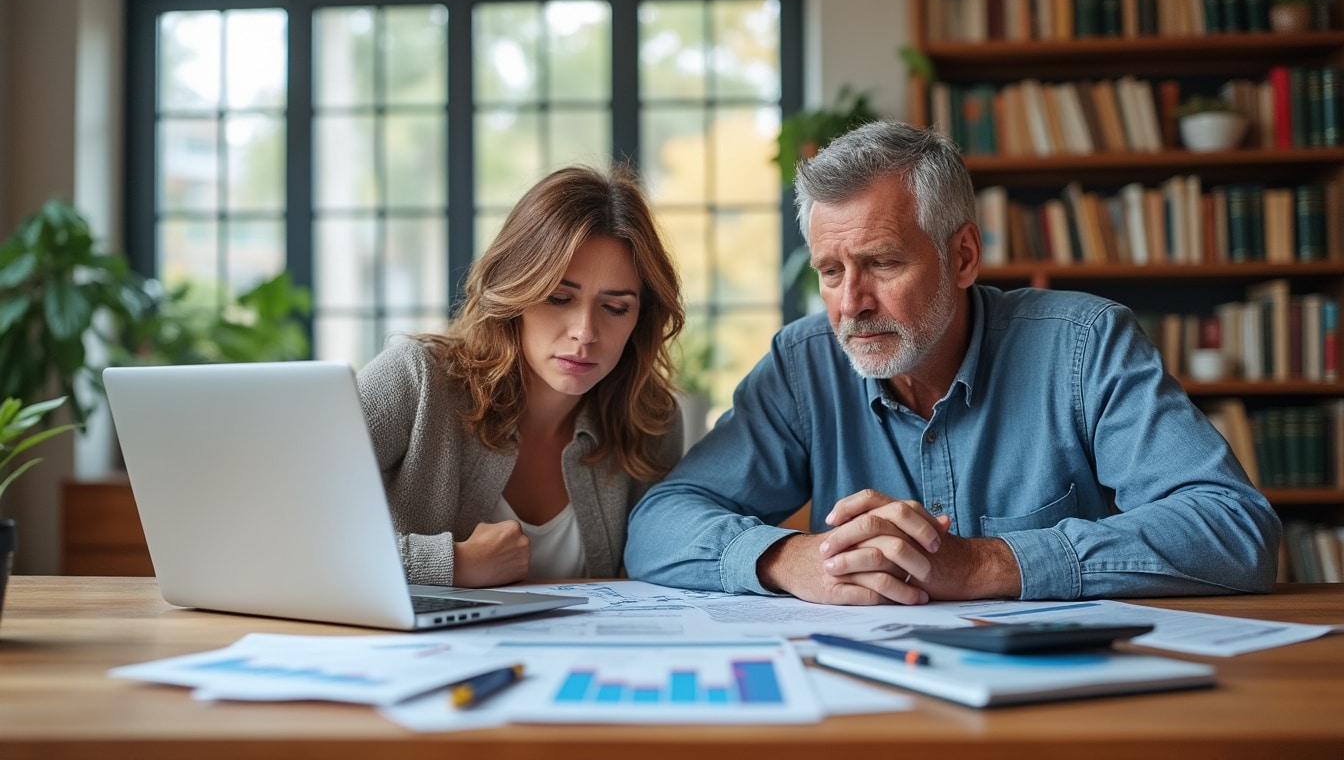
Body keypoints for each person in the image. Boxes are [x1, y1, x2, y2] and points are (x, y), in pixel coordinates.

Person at [625, 120, 1281, 605]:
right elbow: (658, 524)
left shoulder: (1085, 344)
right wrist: (791, 559)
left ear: (963, 256)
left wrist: (984, 565)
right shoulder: (804, 365)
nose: (851, 304)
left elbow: (1234, 529)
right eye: (831, 271)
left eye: (883, 263)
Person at [358, 164, 685, 587]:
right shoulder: (414, 380)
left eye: (615, 307)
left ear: (640, 317)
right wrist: (452, 564)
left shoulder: (650, 421)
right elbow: (287, 528)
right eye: (558, 298)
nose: (585, 332)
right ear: (515, 290)